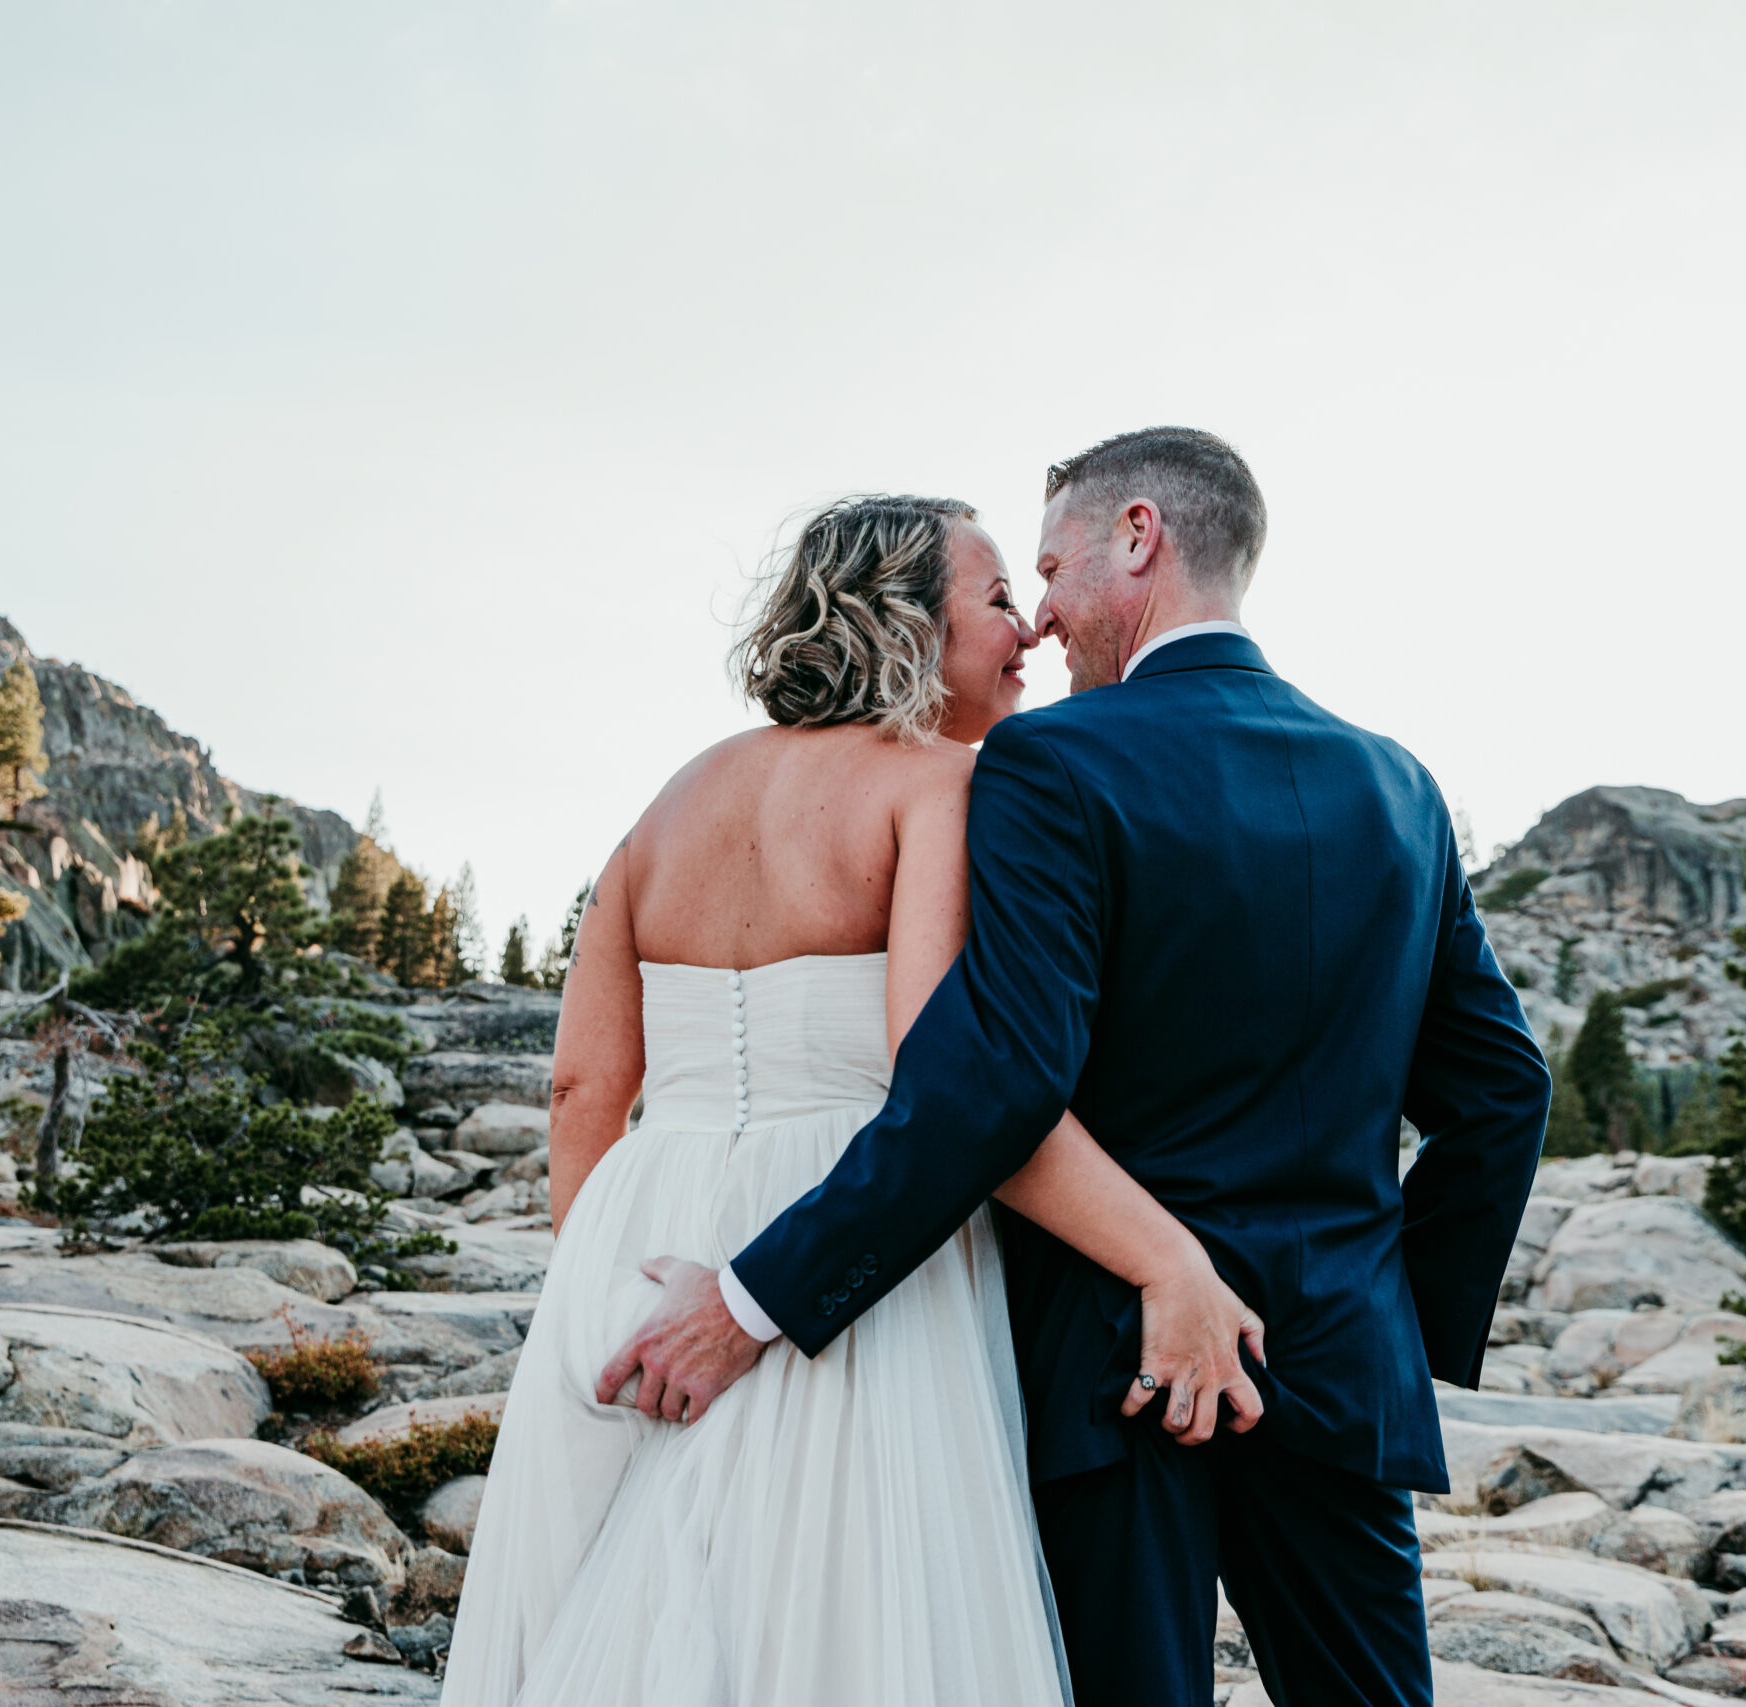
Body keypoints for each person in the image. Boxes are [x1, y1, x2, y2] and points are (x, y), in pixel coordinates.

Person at [601, 427, 1554, 1707]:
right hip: (1337, 1374)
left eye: (1048, 569)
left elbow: (988, 1076)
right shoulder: (1399, 786)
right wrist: (1382, 1318)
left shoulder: (1056, 761)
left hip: (1118, 1376)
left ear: (1140, 537)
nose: (1040, 618)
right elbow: (1503, 1095)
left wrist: (758, 1301)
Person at [439, 492, 1263, 1707]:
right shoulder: (941, 787)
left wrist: (601, 1283)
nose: (1025, 631)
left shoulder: (665, 805)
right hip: (843, 1233)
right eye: (993, 601)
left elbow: (580, 1086)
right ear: (908, 623)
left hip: (635, 1238)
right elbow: (945, 1076)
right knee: (831, 1622)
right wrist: (1164, 1260)